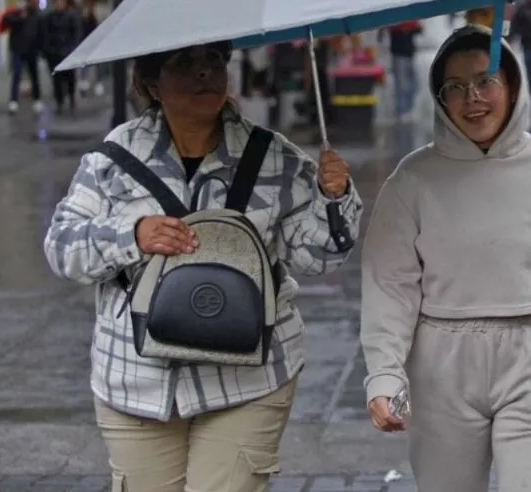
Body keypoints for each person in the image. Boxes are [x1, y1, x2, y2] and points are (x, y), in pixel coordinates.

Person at [43, 41, 362, 492]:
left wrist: (335, 198)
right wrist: (132, 236)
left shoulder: (274, 156)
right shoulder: (114, 160)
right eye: (186, 64)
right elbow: (61, 247)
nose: (205, 74)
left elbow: (318, 257)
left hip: (248, 376)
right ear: (152, 83)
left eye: (215, 62)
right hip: (137, 381)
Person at [361, 24, 531, 492]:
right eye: (455, 87)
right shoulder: (411, 180)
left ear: (512, 85)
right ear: (439, 97)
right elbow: (388, 286)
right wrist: (384, 374)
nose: (472, 98)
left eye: (484, 81)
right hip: (441, 365)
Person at [0, 0, 45, 114]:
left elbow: (41, 32)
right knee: (17, 74)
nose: (35, 1)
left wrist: (41, 48)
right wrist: (20, 17)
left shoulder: (37, 15)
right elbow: (6, 20)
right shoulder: (19, 12)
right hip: (18, 49)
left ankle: (37, 99)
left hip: (32, 50)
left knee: (34, 75)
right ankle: (13, 101)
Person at [42, 0, 84, 113]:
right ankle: (59, 101)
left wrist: (73, 48)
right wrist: (48, 50)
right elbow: (46, 35)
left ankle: (71, 98)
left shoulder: (71, 16)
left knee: (70, 78)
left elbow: (76, 34)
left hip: (67, 52)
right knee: (57, 80)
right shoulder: (50, 18)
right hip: (54, 53)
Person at [385, 20, 422, 121]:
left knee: (414, 83)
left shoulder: (411, 21)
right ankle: (402, 110)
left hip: (409, 54)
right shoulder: (393, 23)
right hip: (398, 55)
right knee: (401, 84)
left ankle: (408, 108)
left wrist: (410, 29)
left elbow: (420, 30)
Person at [78, 0, 104, 97]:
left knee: (99, 63)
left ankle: (99, 82)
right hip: (87, 40)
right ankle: (84, 81)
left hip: (98, 40)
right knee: (85, 62)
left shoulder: (100, 10)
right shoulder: (84, 11)